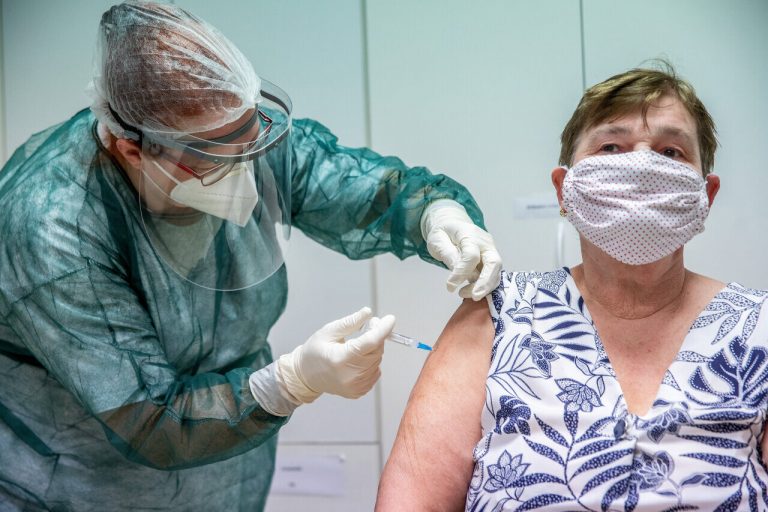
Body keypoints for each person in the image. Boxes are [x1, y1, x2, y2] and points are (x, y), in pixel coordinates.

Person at [0, 2, 502, 510]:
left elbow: (348, 186)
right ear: (134, 150)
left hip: (228, 472)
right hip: (85, 479)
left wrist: (435, 213)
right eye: (218, 159)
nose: (247, 170)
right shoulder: (52, 227)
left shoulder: (233, 127)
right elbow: (147, 418)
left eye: (252, 142)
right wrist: (291, 381)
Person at [377, 63, 768, 511]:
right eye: (610, 146)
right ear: (565, 190)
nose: (640, 165)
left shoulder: (758, 325)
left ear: (706, 194)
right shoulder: (498, 315)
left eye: (671, 152)